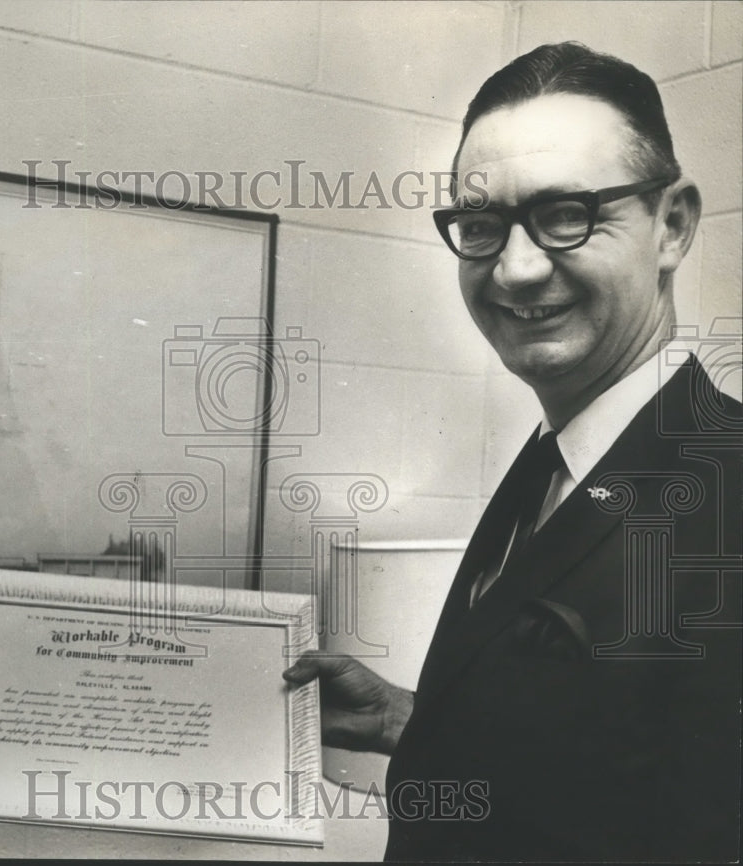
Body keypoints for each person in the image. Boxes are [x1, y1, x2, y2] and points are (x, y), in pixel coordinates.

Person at [284, 42, 742, 862]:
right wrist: (408, 719)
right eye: (483, 225)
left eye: (568, 214)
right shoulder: (558, 462)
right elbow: (624, 773)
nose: (517, 268)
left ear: (672, 226)